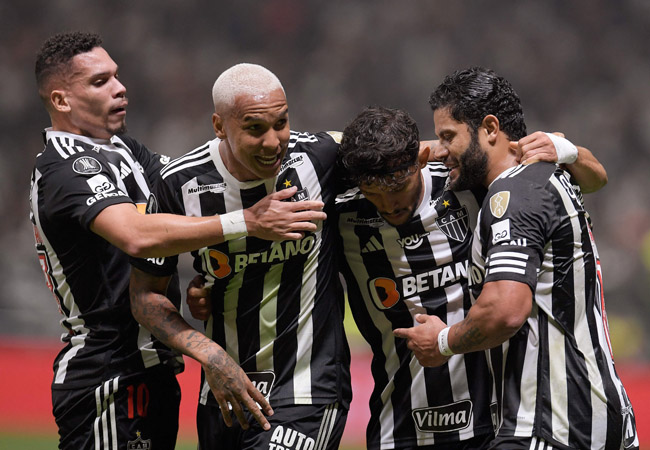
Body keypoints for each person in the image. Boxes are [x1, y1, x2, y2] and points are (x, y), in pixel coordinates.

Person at [30, 32, 327, 450]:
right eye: (100, 82)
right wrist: (247, 221)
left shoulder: (125, 151)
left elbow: (194, 184)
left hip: (152, 369)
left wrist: (214, 270)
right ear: (61, 100)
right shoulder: (66, 168)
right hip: (108, 373)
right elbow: (136, 237)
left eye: (117, 75)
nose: (120, 87)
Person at [394, 67, 639, 450]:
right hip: (599, 415)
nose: (442, 151)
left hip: (550, 423)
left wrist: (440, 341)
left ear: (490, 128)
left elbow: (506, 310)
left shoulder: (511, 197)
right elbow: (597, 177)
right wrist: (571, 150)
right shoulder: (550, 171)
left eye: (448, 137)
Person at [336, 105, 607, 449]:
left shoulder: (467, 183)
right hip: (400, 423)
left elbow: (593, 177)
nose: (389, 205)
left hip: (489, 419)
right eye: (374, 194)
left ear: (420, 159)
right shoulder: (342, 215)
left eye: (397, 187)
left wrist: (568, 150)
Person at [129, 63, 352, 450]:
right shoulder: (179, 184)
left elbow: (397, 154)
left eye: (281, 123)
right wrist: (210, 356)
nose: (273, 142)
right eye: (254, 128)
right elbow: (145, 296)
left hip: (307, 388)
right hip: (223, 394)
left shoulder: (319, 156)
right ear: (219, 126)